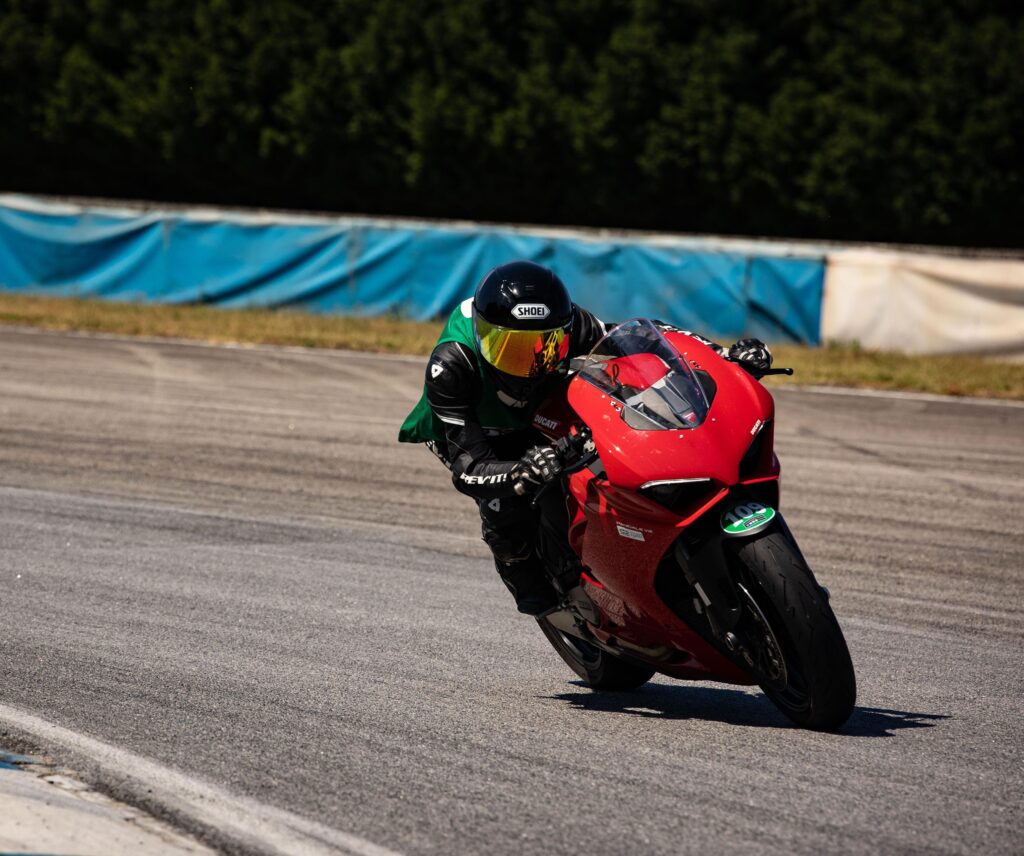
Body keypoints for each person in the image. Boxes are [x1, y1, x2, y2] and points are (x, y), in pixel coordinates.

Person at [398, 260, 772, 615]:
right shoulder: (451, 366)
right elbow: (468, 468)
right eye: (510, 350)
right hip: (475, 429)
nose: (529, 365)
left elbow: (646, 339)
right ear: (482, 336)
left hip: (544, 403)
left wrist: (724, 355)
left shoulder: (575, 324)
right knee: (507, 508)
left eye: (544, 347)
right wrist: (517, 473)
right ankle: (527, 580)